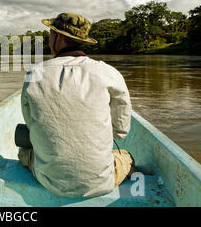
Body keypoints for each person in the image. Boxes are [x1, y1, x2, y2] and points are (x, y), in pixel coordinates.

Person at [18, 13, 136, 198]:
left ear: (58, 37)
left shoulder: (34, 74)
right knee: (127, 157)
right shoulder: (108, 73)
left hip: (48, 180)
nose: (49, 39)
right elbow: (121, 132)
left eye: (50, 34)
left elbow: (33, 126)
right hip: (101, 182)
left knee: (24, 151)